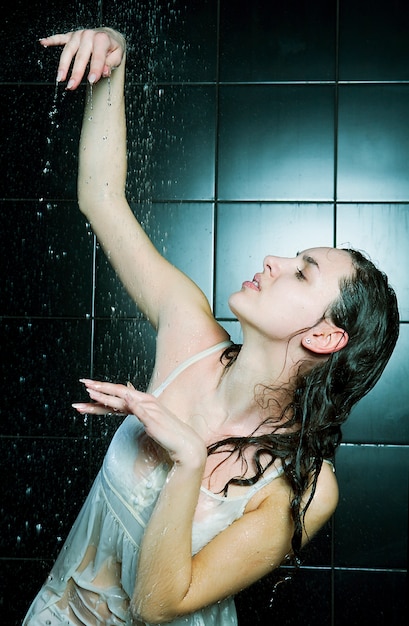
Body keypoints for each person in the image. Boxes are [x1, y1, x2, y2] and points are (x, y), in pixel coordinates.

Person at [23, 28, 400, 626]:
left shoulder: (305, 487)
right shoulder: (188, 332)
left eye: (302, 273)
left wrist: (191, 458)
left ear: (325, 337)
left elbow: (158, 606)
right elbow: (100, 199)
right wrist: (114, 63)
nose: (276, 262)